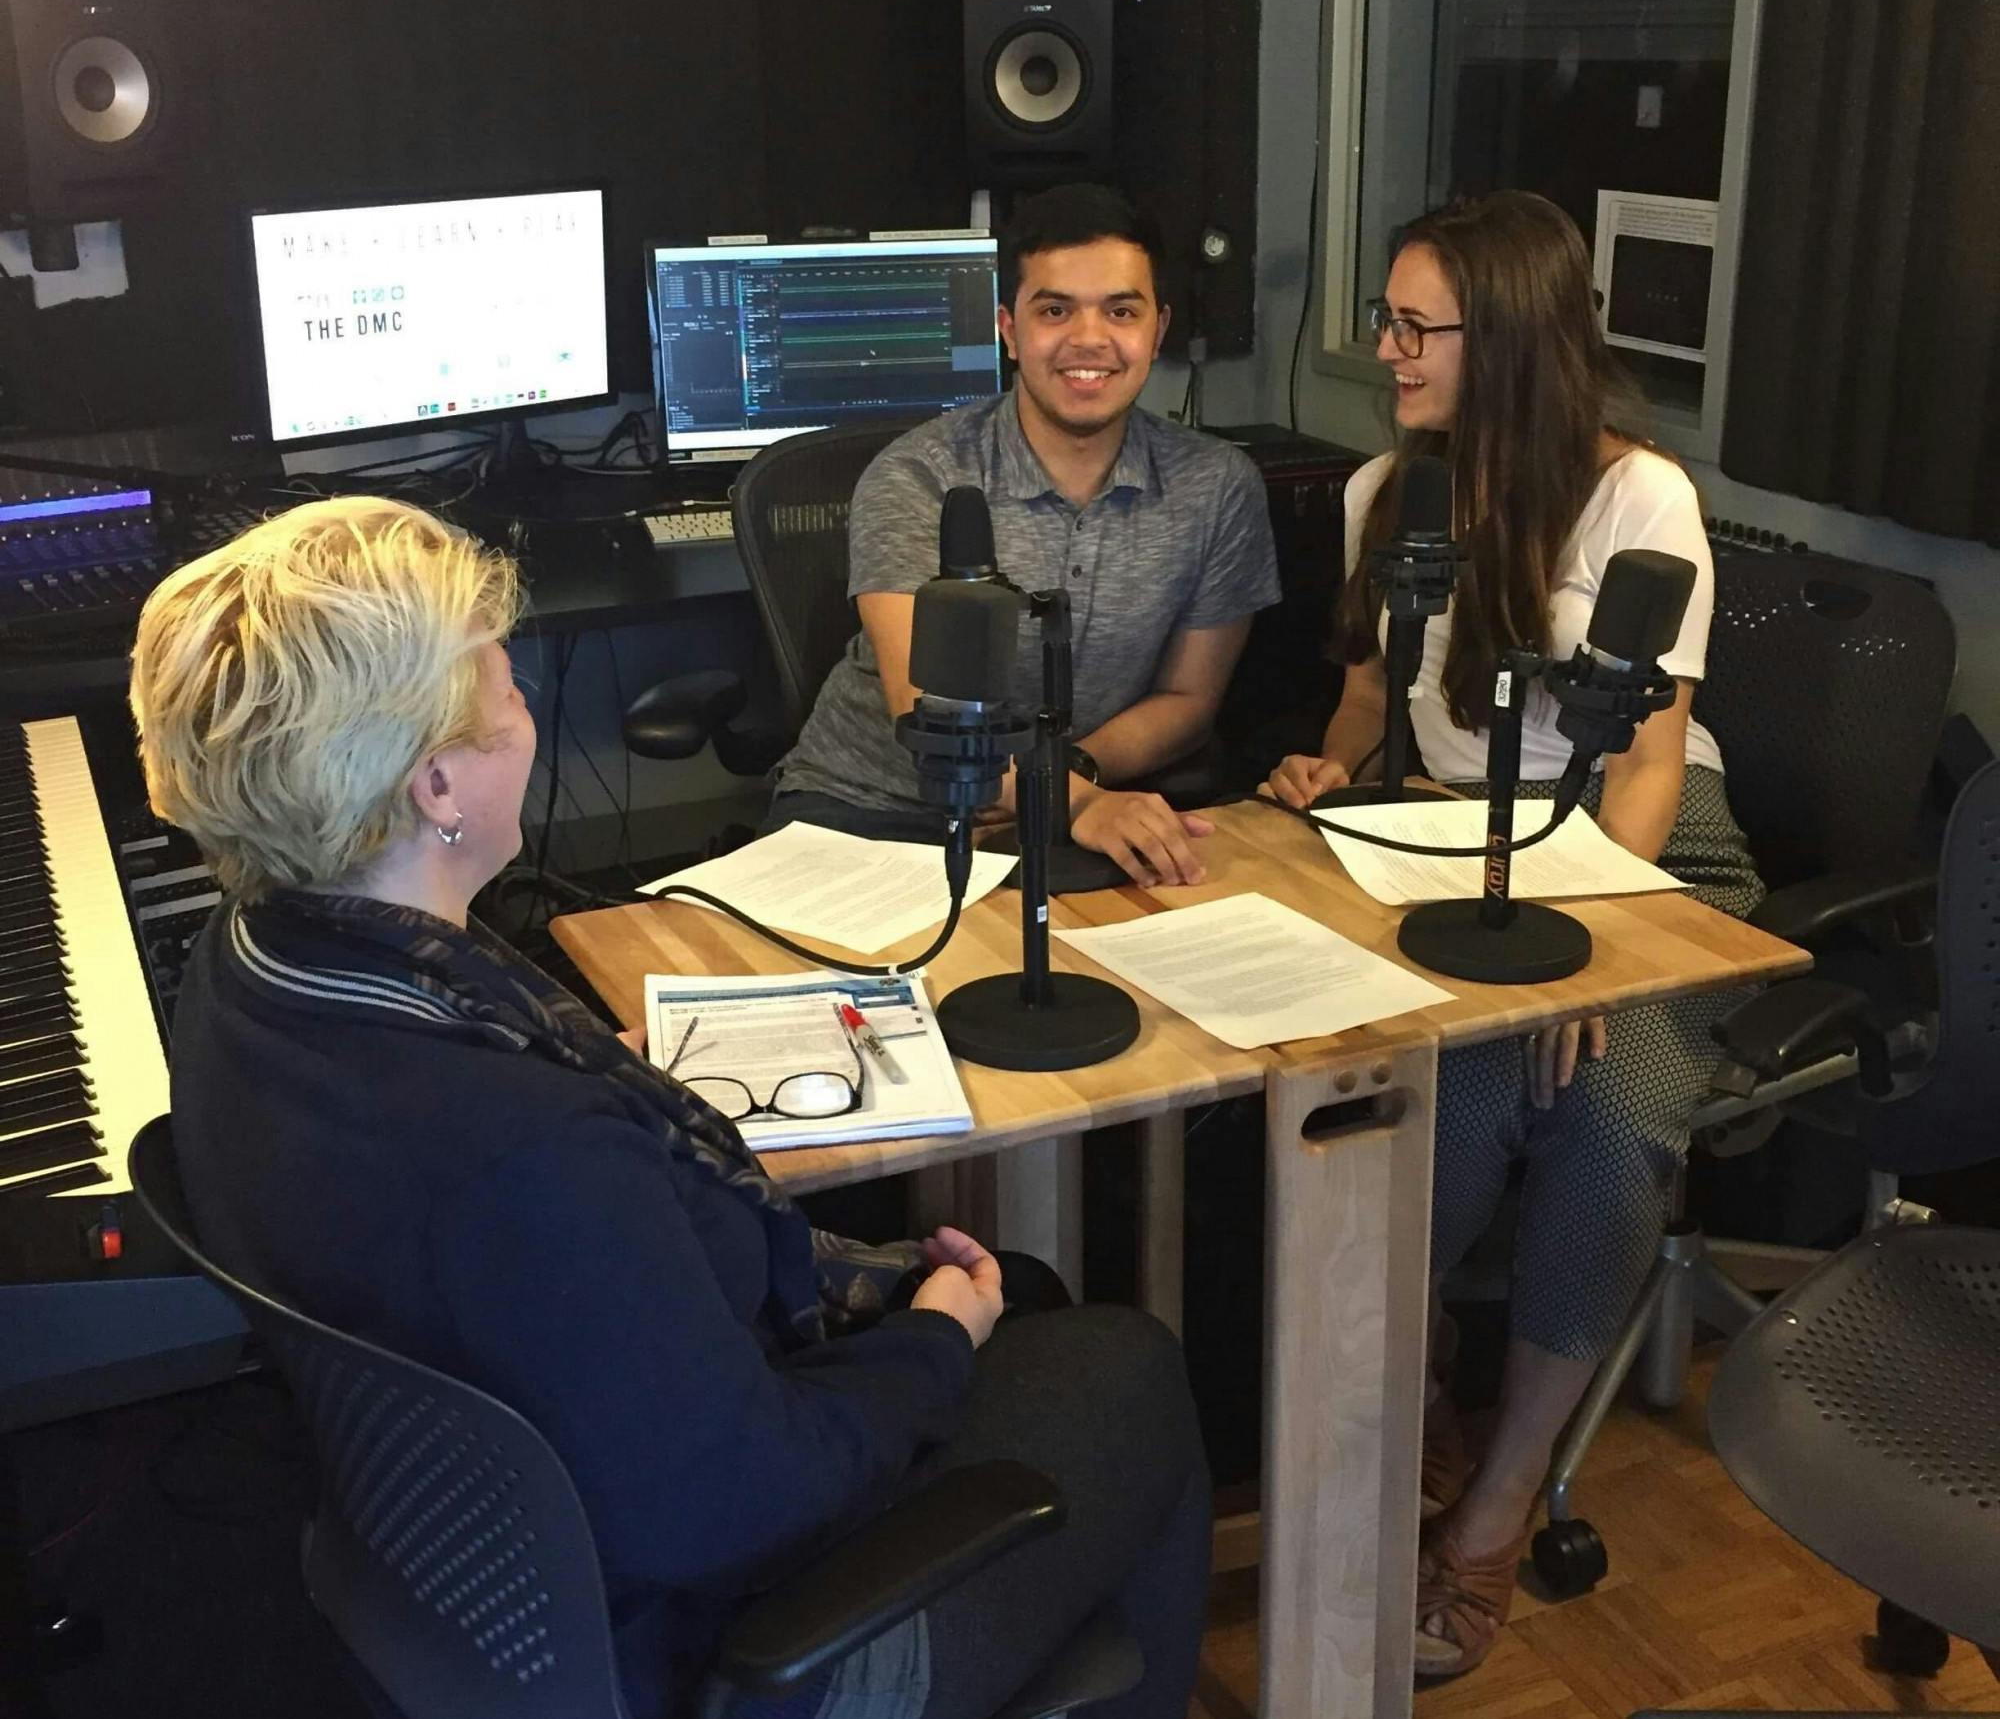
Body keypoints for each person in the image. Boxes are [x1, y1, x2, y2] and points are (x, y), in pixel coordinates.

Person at [130, 496, 1210, 1719]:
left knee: (1028, 1295)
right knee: (1124, 1365)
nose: (526, 717)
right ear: (435, 779)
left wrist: (601, 1091)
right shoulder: (529, 1150)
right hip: (716, 1644)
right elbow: (737, 1498)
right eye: (509, 695)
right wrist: (935, 1339)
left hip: (465, 1580)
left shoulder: (253, 964)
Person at [1266, 191, 1763, 1678]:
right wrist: (1327, 767)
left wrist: (1589, 942)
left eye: (1417, 326)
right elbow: (1373, 700)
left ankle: (1488, 1512)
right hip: (1444, 845)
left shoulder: (1637, 502)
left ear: (1517, 338)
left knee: (1608, 1117)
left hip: (1633, 858)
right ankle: (1414, 1398)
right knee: (1428, 1110)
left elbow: (1652, 760)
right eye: (1386, 319)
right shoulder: (1384, 495)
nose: (1386, 350)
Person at [770, 182, 1280, 887]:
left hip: (1078, 804)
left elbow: (1189, 702)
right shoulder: (919, 476)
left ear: (1157, 330)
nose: (1090, 339)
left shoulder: (1218, 486)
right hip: (872, 810)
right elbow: (927, 713)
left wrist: (1065, 783)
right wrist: (1069, 800)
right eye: (1055, 310)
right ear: (1010, 329)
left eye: (1121, 311)